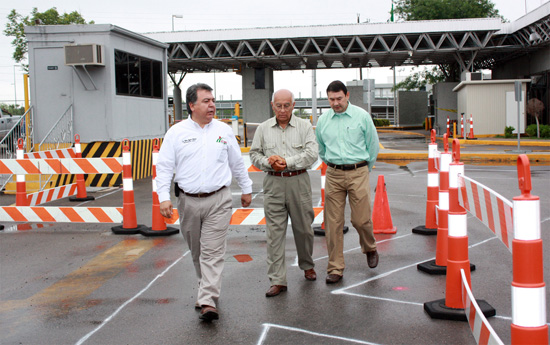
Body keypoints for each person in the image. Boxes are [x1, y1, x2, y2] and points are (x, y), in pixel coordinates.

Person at [156, 83, 252, 321]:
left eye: (213, 100)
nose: (212, 105)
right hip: (188, 201)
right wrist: (163, 198)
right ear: (192, 105)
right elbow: (165, 167)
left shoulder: (224, 131)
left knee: (212, 251)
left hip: (218, 199)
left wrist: (246, 188)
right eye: (206, 101)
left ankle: (208, 300)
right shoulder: (176, 133)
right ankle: (205, 288)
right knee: (198, 251)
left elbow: (237, 163)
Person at [250, 89, 318, 297]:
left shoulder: (305, 127)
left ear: (293, 105)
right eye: (278, 105)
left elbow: (312, 154)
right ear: (272, 106)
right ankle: (278, 280)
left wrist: (286, 162)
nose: (282, 110)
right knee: (274, 234)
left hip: (299, 181)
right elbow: (254, 154)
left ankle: (307, 265)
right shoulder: (262, 129)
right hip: (273, 183)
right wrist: (267, 162)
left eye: (286, 105)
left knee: (304, 229)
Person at [315, 80, 380, 284]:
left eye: (339, 98)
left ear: (347, 95)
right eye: (331, 99)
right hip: (333, 174)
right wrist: (333, 166)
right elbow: (322, 150)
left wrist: (364, 169)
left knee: (361, 220)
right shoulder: (324, 121)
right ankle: (335, 267)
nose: (335, 103)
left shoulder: (362, 116)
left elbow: (373, 144)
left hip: (358, 171)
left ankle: (369, 247)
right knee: (333, 223)